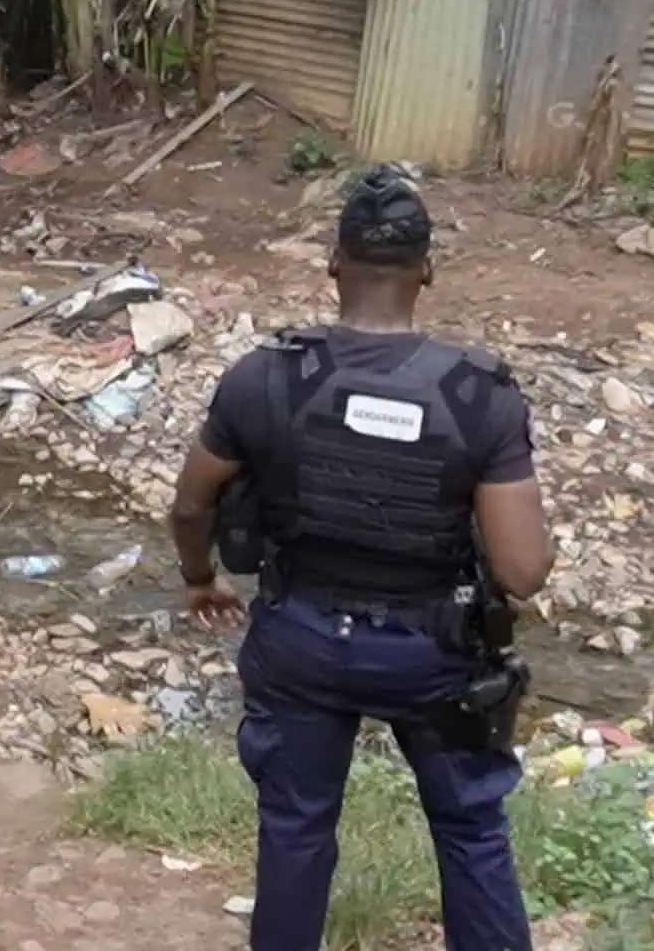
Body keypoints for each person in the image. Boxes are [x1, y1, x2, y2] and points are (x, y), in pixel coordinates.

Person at [168, 165, 553, 951]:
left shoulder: (264, 377)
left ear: (334, 263)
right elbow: (520, 573)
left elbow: (189, 503)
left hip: (301, 637)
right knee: (471, 829)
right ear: (428, 270)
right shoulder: (480, 396)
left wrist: (199, 578)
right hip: (434, 655)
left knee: (295, 830)